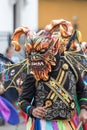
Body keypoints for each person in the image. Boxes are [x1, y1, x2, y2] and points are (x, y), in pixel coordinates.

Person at [12, 19, 87, 130]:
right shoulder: (33, 72)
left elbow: (82, 90)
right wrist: (32, 110)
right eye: (31, 53)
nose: (34, 57)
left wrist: (84, 110)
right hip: (43, 125)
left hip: (69, 124)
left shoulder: (71, 67)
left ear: (54, 48)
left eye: (41, 51)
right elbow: (23, 101)